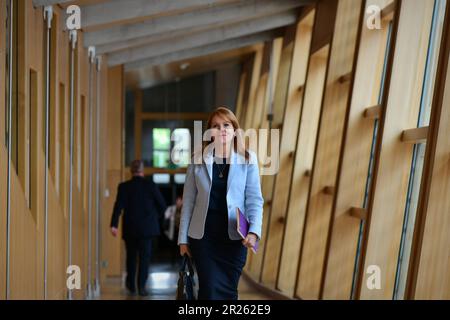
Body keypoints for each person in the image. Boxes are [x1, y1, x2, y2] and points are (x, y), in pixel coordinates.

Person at [178, 106, 264, 300]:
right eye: (216, 126)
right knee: (208, 290)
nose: (222, 129)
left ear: (234, 129)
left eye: (226, 124)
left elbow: (254, 199)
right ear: (210, 132)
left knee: (229, 292)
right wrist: (183, 239)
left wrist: (254, 232)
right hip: (204, 238)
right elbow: (189, 203)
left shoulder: (248, 159)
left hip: (234, 239)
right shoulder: (197, 160)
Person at [110, 160, 166, 297]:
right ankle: (141, 287)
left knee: (131, 257)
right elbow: (162, 205)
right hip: (148, 229)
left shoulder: (124, 187)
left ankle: (131, 286)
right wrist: (154, 217)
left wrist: (114, 225)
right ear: (142, 170)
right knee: (144, 259)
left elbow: (118, 206)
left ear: (131, 171)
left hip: (130, 228)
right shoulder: (150, 185)